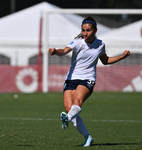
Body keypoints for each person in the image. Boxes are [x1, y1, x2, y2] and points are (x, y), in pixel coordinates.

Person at [49, 16, 130, 147]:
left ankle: (67, 119)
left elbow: (105, 60)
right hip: (71, 78)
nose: (85, 33)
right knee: (69, 108)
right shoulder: (77, 42)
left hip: (88, 79)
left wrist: (122, 56)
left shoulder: (100, 44)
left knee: (77, 102)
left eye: (88, 30)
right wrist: (55, 51)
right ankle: (87, 137)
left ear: (95, 30)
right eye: (83, 30)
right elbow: (64, 51)